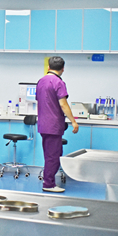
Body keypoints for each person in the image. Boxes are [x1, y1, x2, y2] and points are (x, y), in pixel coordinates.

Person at [36, 56, 79, 193]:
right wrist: (73, 121)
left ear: (48, 67)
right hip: (53, 125)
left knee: (49, 155)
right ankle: (48, 184)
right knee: (53, 156)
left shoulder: (41, 81)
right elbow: (63, 104)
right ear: (63, 69)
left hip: (43, 125)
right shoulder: (59, 82)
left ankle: (48, 181)